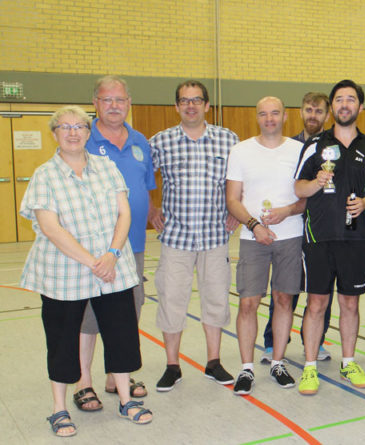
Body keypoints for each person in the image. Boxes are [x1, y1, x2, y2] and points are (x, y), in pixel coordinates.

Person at [20, 106, 153, 437]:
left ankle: (126, 401)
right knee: (62, 341)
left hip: (113, 269)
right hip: (65, 275)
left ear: (87, 132)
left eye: (80, 126)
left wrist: (111, 254)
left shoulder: (106, 168)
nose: (73, 132)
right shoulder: (44, 175)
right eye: (65, 127)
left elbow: (124, 213)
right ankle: (59, 409)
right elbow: (51, 227)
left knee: (121, 334)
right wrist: (92, 261)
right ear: (55, 134)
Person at [149, 80, 240, 391]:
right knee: (172, 301)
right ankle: (172, 365)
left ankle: (213, 362)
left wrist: (236, 210)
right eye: (184, 101)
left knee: (216, 300)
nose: (191, 105)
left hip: (216, 236)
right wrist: (150, 208)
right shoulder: (161, 141)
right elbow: (141, 176)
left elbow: (241, 180)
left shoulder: (228, 140)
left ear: (207, 105)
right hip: (176, 238)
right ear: (176, 106)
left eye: (197, 100)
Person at [294, 79, 365, 395]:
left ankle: (348, 361)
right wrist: (316, 182)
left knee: (350, 303)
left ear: (360, 106)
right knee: (316, 303)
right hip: (318, 238)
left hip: (356, 239)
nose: (345, 104)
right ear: (333, 107)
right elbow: (298, 188)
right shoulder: (315, 145)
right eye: (340, 99)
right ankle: (309, 366)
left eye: (351, 99)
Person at [73, 75, 155, 411]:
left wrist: (154, 211)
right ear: (95, 103)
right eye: (107, 100)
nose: (114, 106)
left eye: (119, 100)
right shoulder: (82, 140)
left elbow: (144, 186)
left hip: (132, 246)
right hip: (93, 247)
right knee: (89, 315)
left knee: (128, 310)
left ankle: (114, 375)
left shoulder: (139, 141)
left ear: (129, 103)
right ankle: (83, 383)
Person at [226, 97, 306, 394]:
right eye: (263, 113)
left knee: (284, 300)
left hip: (290, 236)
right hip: (252, 238)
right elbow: (232, 199)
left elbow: (306, 197)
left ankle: (278, 362)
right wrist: (254, 225)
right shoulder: (241, 151)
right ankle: (246, 369)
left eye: (275, 113)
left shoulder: (299, 151)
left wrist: (287, 211)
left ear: (285, 116)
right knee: (248, 302)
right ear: (256, 117)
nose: (269, 118)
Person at [261, 92, 332, 363]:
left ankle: (316, 342)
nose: (313, 115)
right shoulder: (288, 147)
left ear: (327, 115)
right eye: (308, 109)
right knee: (283, 289)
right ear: (300, 112)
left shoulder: (333, 148)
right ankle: (272, 342)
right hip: (292, 227)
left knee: (321, 290)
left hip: (322, 231)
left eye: (318, 111)